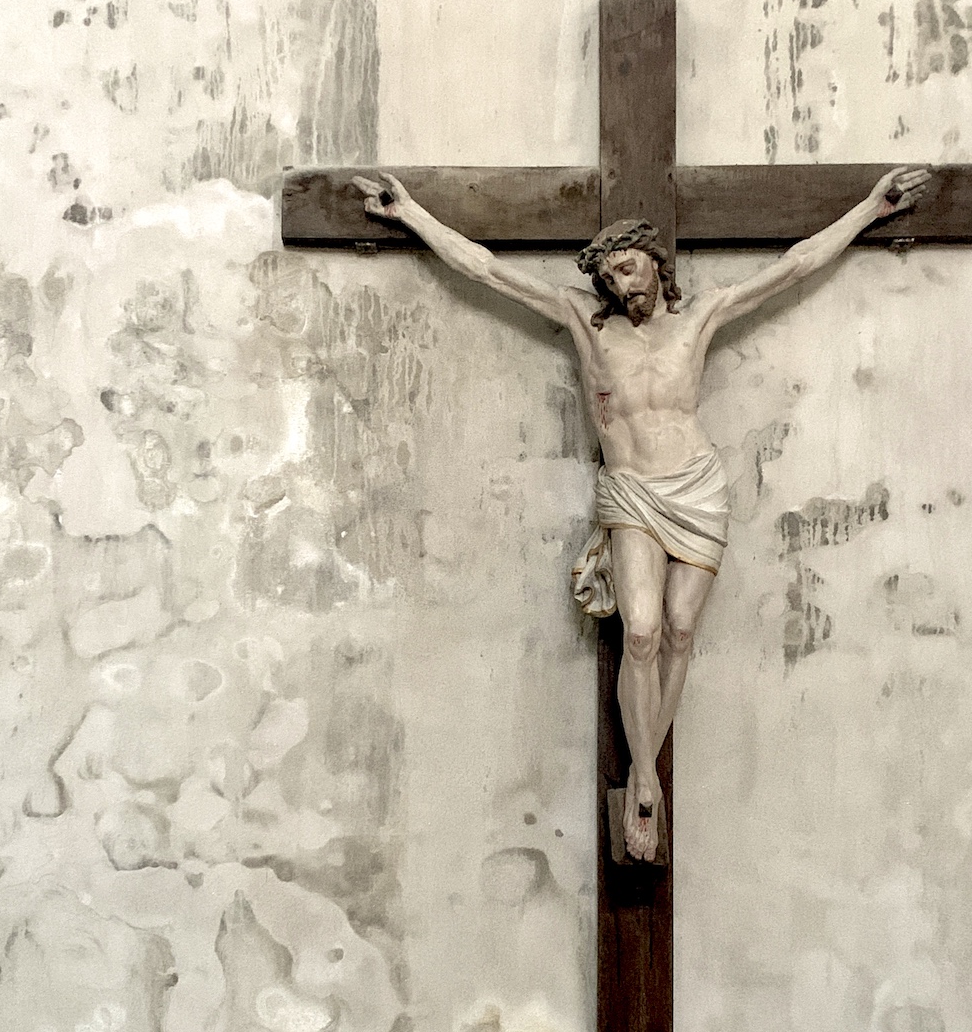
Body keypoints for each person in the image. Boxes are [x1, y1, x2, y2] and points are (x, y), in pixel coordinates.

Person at [353, 166, 931, 861]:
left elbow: (795, 265)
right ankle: (646, 779)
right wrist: (409, 213)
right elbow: (485, 268)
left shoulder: (701, 318)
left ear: (656, 262)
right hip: (630, 492)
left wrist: (870, 209)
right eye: (608, 277)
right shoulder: (585, 321)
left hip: (698, 488)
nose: (619, 285)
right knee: (644, 631)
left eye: (627, 268)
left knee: (682, 630)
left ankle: (641, 772)